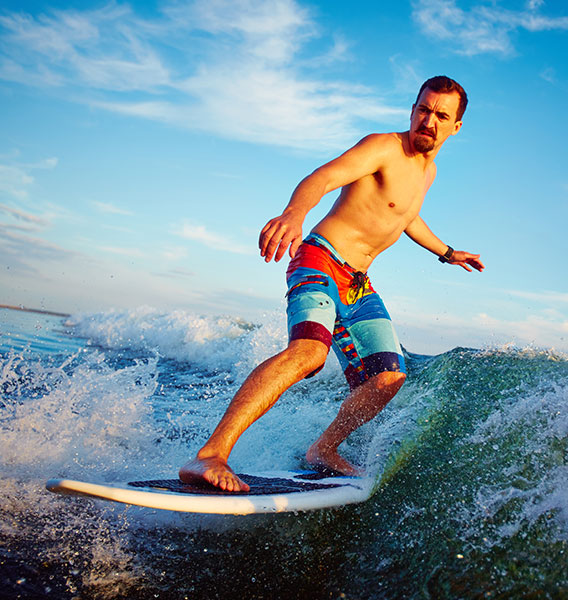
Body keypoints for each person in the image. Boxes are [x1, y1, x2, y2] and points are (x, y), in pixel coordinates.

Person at [179, 75, 484, 492]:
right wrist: (293, 213)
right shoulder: (383, 147)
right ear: (412, 109)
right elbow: (323, 177)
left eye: (440, 115)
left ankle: (323, 449)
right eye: (423, 109)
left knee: (388, 377)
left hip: (357, 283)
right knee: (308, 354)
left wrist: (447, 252)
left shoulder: (427, 172)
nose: (428, 121)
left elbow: (405, 215)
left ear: (455, 127)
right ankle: (210, 454)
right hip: (320, 259)